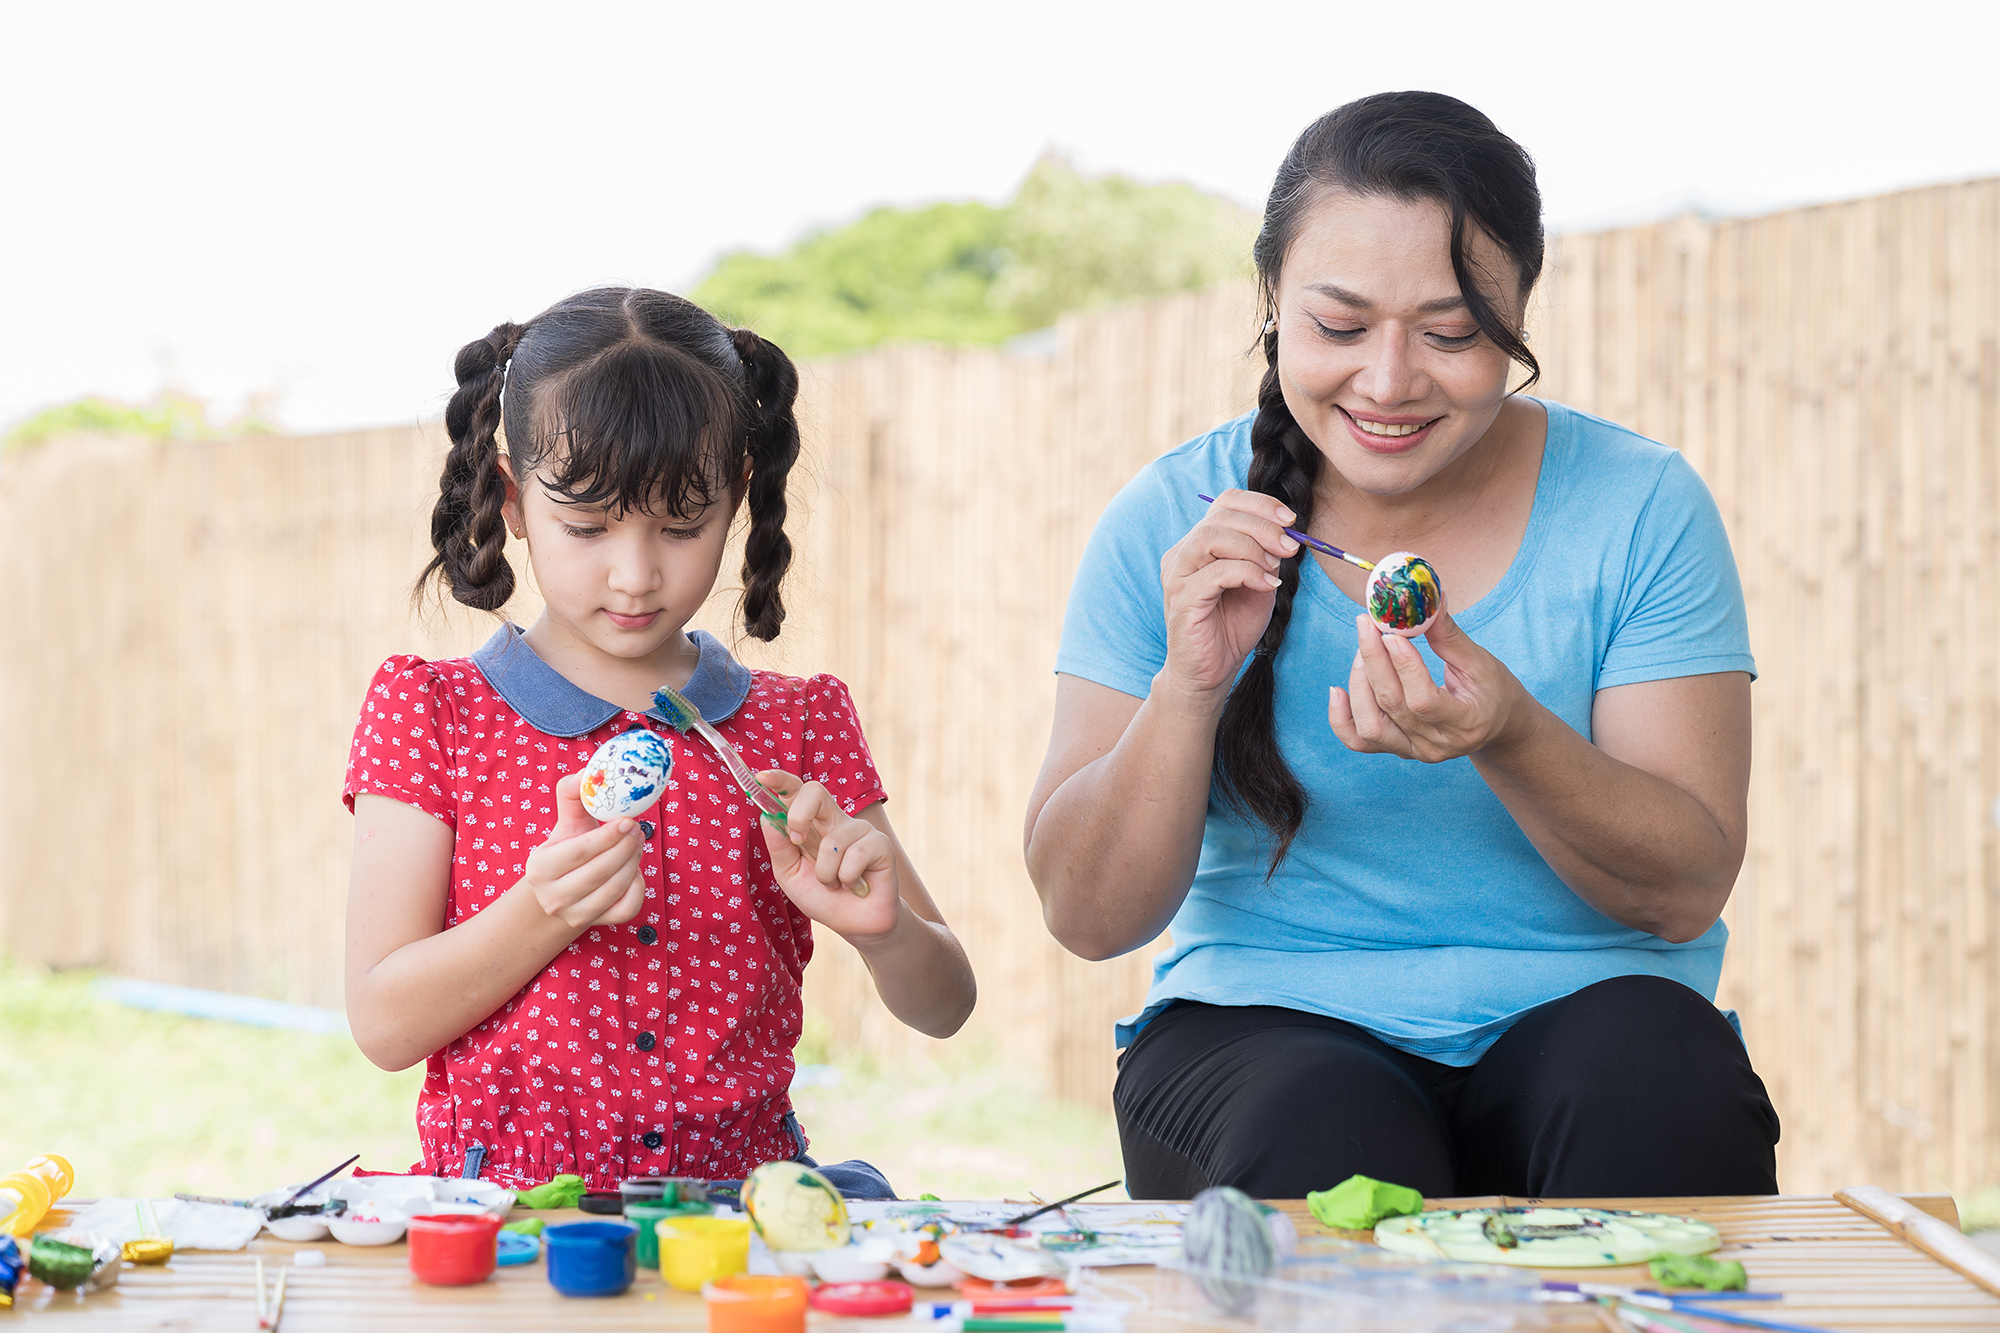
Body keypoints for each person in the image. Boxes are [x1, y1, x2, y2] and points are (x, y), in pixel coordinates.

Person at [1025, 93, 1779, 1200]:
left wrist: (1510, 733)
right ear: (1272, 304)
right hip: (1257, 1029)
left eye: (1450, 333)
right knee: (1324, 1129)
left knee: (1650, 1083)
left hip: (1593, 1014)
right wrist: (1187, 687)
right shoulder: (1172, 517)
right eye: (1338, 328)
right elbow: (1087, 917)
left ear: (1518, 312)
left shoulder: (1638, 505)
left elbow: (1680, 889)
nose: (1387, 383)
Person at [343, 288, 975, 1196]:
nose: (636, 575)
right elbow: (383, 1024)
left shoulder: (798, 724)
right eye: (588, 527)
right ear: (515, 501)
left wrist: (885, 932)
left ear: (739, 496)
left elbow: (946, 1002)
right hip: (515, 1228)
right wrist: (543, 910)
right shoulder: (434, 712)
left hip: (744, 1226)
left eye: (683, 526)